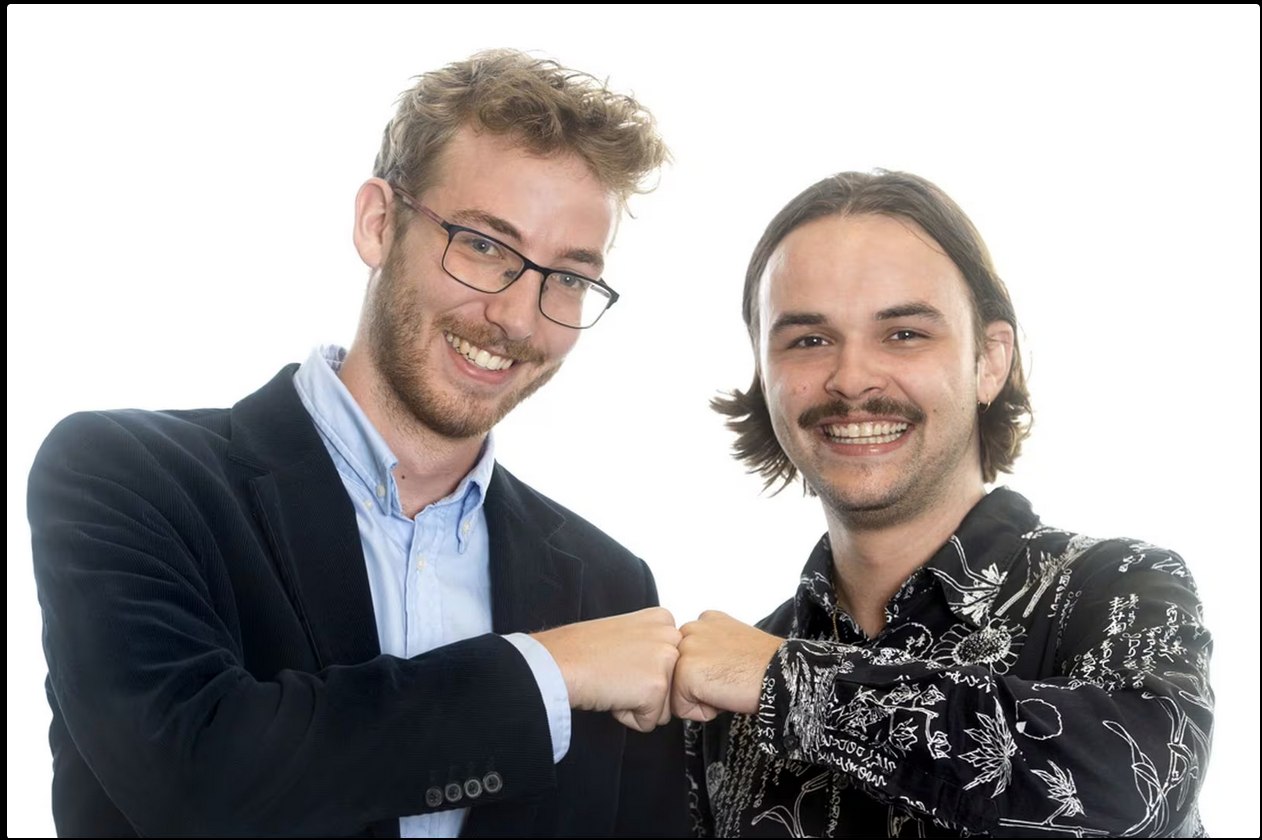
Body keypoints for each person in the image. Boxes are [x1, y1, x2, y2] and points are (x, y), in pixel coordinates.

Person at [28, 49, 686, 838]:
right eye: (484, 246)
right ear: (378, 223)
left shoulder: (611, 588)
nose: (517, 318)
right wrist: (547, 672)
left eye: (569, 279)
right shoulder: (126, 477)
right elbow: (196, 785)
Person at [671, 170, 1213, 837]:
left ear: (990, 360)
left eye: (904, 333)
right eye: (809, 340)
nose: (851, 379)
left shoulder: (1121, 586)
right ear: (764, 375)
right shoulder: (717, 698)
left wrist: (786, 683)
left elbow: (1133, 794)